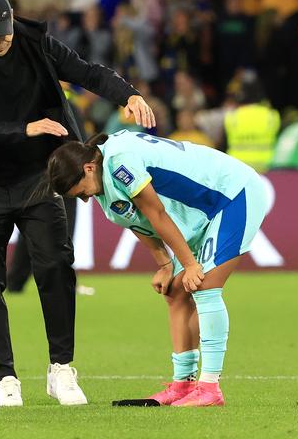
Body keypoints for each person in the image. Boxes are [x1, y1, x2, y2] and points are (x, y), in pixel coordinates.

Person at [0, 0, 155, 407]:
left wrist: (127, 94)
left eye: (4, 33)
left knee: (57, 267)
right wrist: (24, 129)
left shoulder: (33, 41)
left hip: (38, 178)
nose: (1, 43)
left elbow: (87, 71)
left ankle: (61, 370)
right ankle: (5, 378)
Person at [45, 129, 268, 407]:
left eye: (81, 192)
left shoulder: (120, 161)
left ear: (88, 168)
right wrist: (164, 263)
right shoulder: (103, 184)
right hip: (201, 212)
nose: (85, 199)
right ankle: (182, 385)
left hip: (232, 193)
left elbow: (156, 212)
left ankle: (210, 387)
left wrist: (188, 264)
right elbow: (140, 223)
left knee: (204, 286)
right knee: (174, 291)